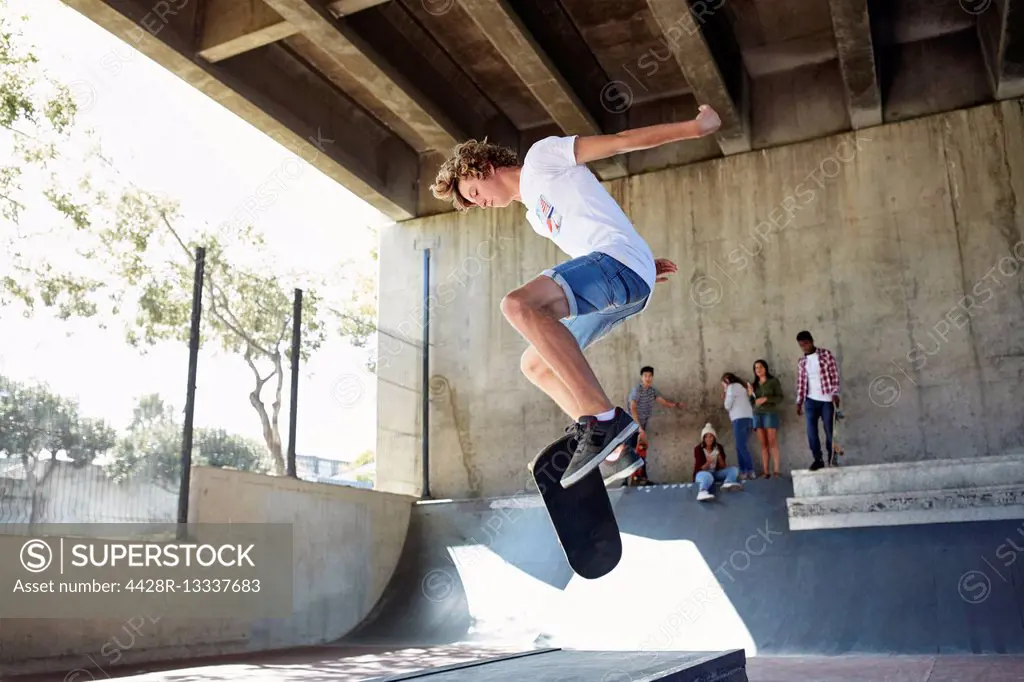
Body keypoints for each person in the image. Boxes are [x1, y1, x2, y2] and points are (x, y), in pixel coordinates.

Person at [430, 105, 723, 489]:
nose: (478, 203)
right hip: (622, 278)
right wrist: (644, 265)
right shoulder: (535, 215)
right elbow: (592, 226)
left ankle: (602, 419)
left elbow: (620, 143)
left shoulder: (542, 158)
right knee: (534, 364)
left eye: (473, 193)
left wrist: (695, 127)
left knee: (516, 305)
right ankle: (618, 451)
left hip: (619, 266)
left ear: (480, 169)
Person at [795, 330, 841, 471]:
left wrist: (835, 393)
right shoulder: (802, 362)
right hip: (810, 401)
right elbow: (801, 382)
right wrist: (799, 401)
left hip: (826, 399)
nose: (805, 346)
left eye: (806, 343)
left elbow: (834, 375)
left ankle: (832, 458)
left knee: (829, 431)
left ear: (812, 341)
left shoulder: (826, 355)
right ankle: (818, 459)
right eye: (801, 345)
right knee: (811, 432)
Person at [628, 365, 684, 457]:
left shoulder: (652, 391)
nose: (648, 378)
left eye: (650, 376)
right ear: (641, 377)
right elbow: (632, 408)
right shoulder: (637, 389)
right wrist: (638, 427)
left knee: (642, 451)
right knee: (633, 451)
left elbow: (664, 402)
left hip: (642, 425)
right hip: (632, 424)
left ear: (652, 378)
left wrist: (676, 405)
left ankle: (641, 469)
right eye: (645, 376)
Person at [749, 359, 784, 478]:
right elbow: (752, 403)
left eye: (760, 367)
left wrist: (766, 399)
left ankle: (776, 470)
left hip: (770, 413)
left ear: (765, 368)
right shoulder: (754, 385)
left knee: (772, 442)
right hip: (757, 414)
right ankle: (765, 471)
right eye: (756, 368)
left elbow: (780, 397)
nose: (758, 370)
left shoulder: (773, 381)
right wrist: (750, 395)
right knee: (763, 444)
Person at [692, 422, 742, 502]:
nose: (709, 439)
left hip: (715, 473)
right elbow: (699, 468)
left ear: (714, 437)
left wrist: (719, 457)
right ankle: (702, 491)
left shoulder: (719, 447)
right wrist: (708, 462)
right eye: (706, 437)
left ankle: (728, 482)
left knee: (734, 470)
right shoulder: (698, 449)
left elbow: (723, 466)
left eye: (711, 436)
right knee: (708, 476)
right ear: (703, 439)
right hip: (701, 473)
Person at [721, 372, 755, 480]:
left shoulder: (731, 387)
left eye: (723, 384)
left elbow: (727, 405)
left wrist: (726, 394)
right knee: (740, 445)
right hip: (749, 418)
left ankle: (749, 470)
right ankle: (743, 471)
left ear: (726, 381)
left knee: (740, 446)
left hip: (739, 419)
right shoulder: (744, 386)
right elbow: (752, 399)